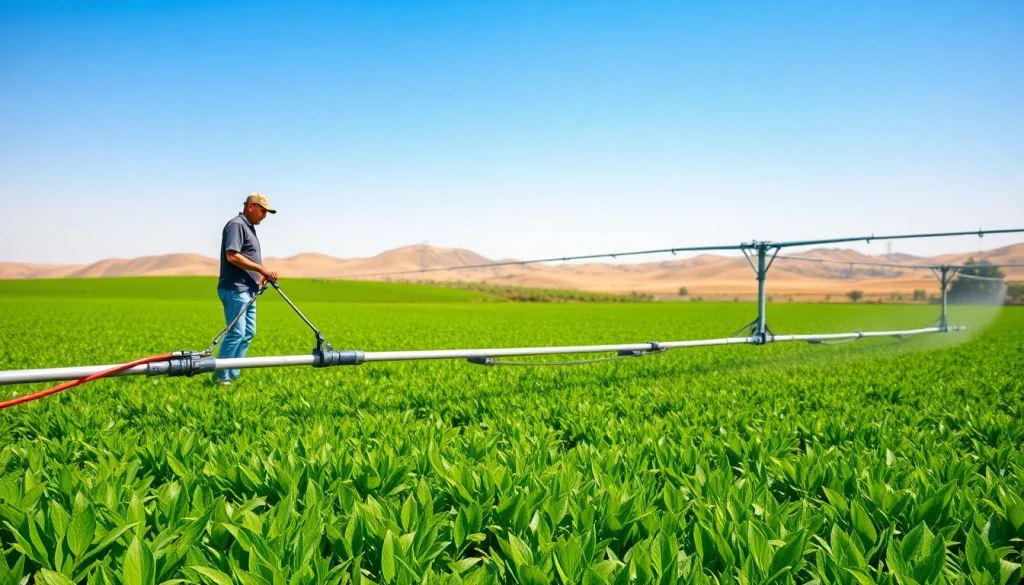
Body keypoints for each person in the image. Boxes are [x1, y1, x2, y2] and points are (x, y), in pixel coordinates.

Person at [213, 193, 278, 386]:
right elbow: (232, 256)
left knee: (248, 332)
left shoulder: (248, 228)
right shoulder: (237, 225)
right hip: (235, 289)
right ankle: (220, 378)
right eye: (263, 210)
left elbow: (246, 257)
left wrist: (259, 277)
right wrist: (261, 268)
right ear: (251, 206)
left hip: (249, 290)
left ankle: (233, 375)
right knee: (236, 333)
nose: (265, 215)